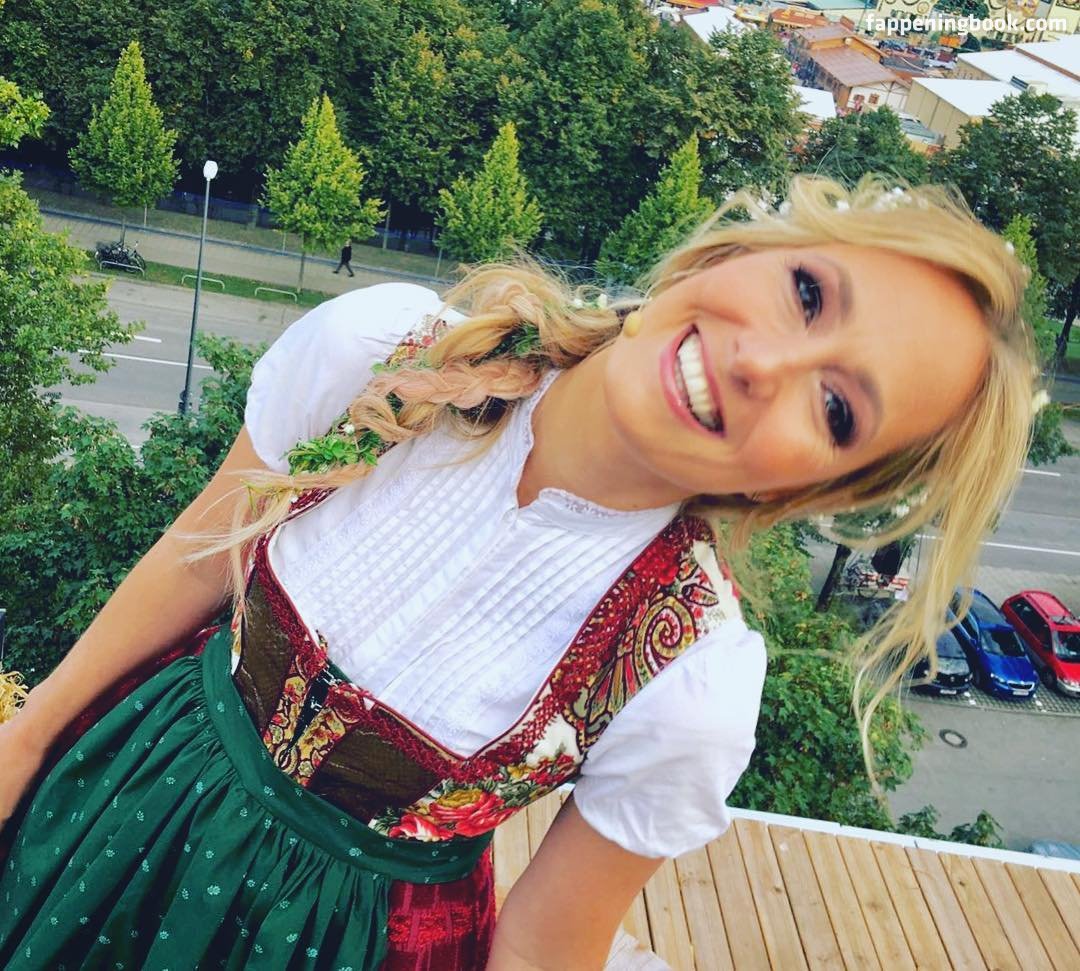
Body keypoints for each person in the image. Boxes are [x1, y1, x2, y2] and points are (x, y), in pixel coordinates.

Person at [0, 174, 1037, 970]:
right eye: (806, 293)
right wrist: (28, 736)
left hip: (343, 944)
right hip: (123, 797)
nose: (764, 363)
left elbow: (543, 950)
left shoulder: (690, 676)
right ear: (731, 253)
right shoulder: (391, 349)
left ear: (817, 487)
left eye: (838, 408)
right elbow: (199, 558)